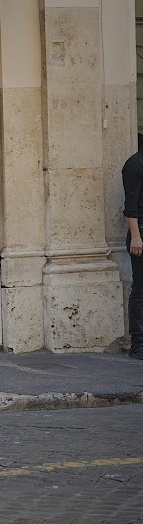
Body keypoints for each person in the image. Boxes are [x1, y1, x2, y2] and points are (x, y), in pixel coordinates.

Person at [121, 135, 143, 360]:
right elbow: (131, 204)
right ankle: (138, 345)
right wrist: (136, 236)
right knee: (140, 290)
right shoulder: (135, 164)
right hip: (141, 234)